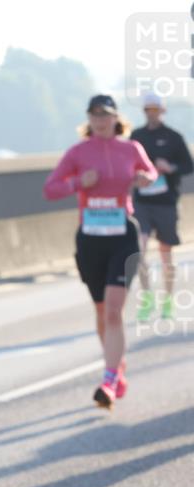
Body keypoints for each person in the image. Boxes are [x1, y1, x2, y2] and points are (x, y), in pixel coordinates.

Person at [43, 94, 157, 409]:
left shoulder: (130, 148)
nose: (100, 120)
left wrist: (144, 179)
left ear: (115, 118)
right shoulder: (78, 153)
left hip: (122, 235)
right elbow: (50, 189)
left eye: (105, 115)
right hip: (91, 239)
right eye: (95, 115)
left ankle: (107, 379)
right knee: (100, 310)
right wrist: (79, 182)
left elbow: (151, 174)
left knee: (113, 309)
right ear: (88, 120)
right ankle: (117, 367)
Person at [130, 92, 193, 322]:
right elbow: (126, 164)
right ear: (144, 112)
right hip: (142, 202)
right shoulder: (136, 137)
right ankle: (147, 300)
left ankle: (168, 301)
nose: (152, 114)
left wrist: (171, 167)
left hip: (166, 202)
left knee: (166, 255)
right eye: (148, 110)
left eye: (155, 110)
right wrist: (136, 175)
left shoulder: (174, 137)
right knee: (140, 250)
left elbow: (188, 166)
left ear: (162, 111)